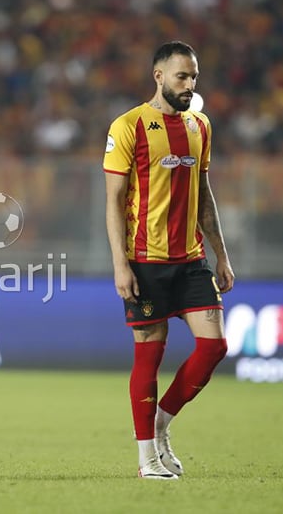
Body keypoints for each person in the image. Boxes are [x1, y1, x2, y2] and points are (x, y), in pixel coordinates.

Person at [103, 41, 234, 480]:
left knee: (214, 346)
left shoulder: (201, 125)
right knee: (148, 357)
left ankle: (160, 424)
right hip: (145, 260)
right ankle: (146, 460)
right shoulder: (128, 126)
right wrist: (120, 265)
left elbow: (205, 195)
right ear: (158, 76)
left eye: (194, 76)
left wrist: (221, 254)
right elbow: (113, 202)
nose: (189, 84)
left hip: (192, 258)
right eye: (182, 76)